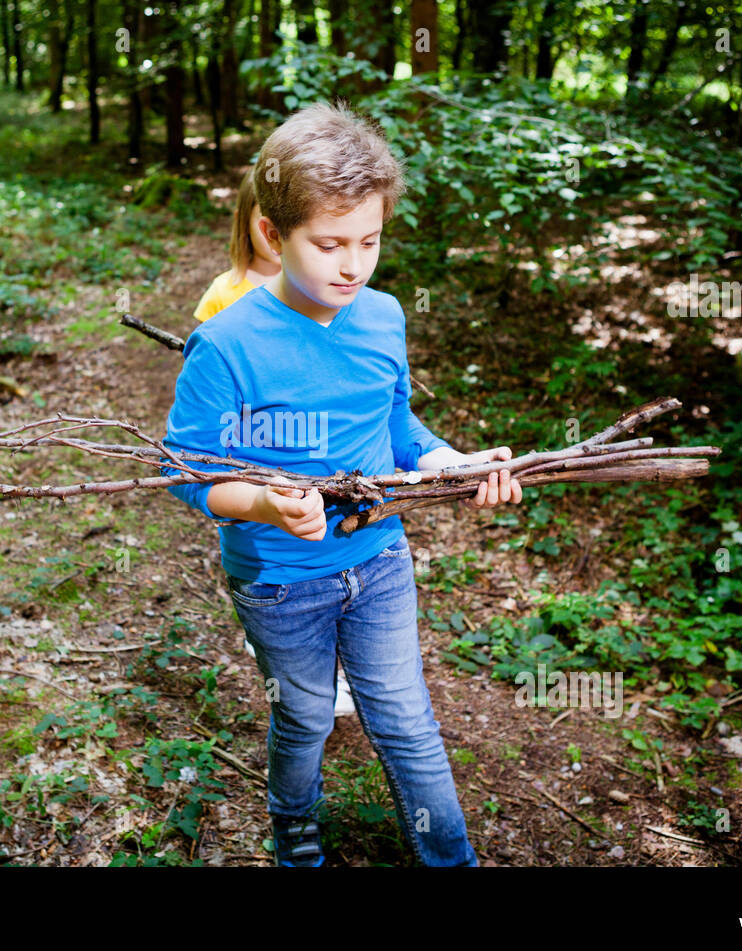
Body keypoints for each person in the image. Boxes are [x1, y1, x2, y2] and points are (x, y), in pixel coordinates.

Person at [159, 100, 523, 867]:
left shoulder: (382, 316)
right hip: (280, 582)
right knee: (307, 718)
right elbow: (186, 472)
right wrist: (262, 503)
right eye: (328, 244)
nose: (352, 265)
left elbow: (401, 432)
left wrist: (457, 466)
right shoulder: (225, 345)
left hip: (380, 559)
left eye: (370, 241)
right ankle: (295, 835)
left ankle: (451, 860)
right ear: (271, 233)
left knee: (405, 719)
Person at [195, 168, 358, 719]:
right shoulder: (228, 294)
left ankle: (322, 666)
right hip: (252, 451)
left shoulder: (333, 293)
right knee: (272, 545)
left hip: (324, 473)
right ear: (262, 228)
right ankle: (276, 634)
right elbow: (210, 375)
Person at [193, 169, 281, 322]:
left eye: (289, 221)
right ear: (244, 221)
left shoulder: (312, 288)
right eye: (267, 224)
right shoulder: (220, 294)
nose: (278, 234)